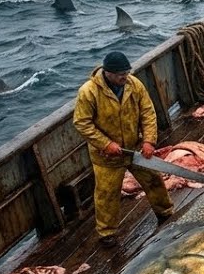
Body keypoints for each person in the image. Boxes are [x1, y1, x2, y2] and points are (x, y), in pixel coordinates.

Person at [73, 52, 174, 246]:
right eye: (121, 74)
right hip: (106, 156)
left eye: (127, 72)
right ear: (108, 73)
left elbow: (147, 112)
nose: (125, 77)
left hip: (134, 148)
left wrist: (149, 141)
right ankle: (106, 232)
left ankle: (166, 213)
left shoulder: (134, 84)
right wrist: (105, 144)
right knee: (107, 194)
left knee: (154, 179)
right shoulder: (89, 92)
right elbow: (82, 123)